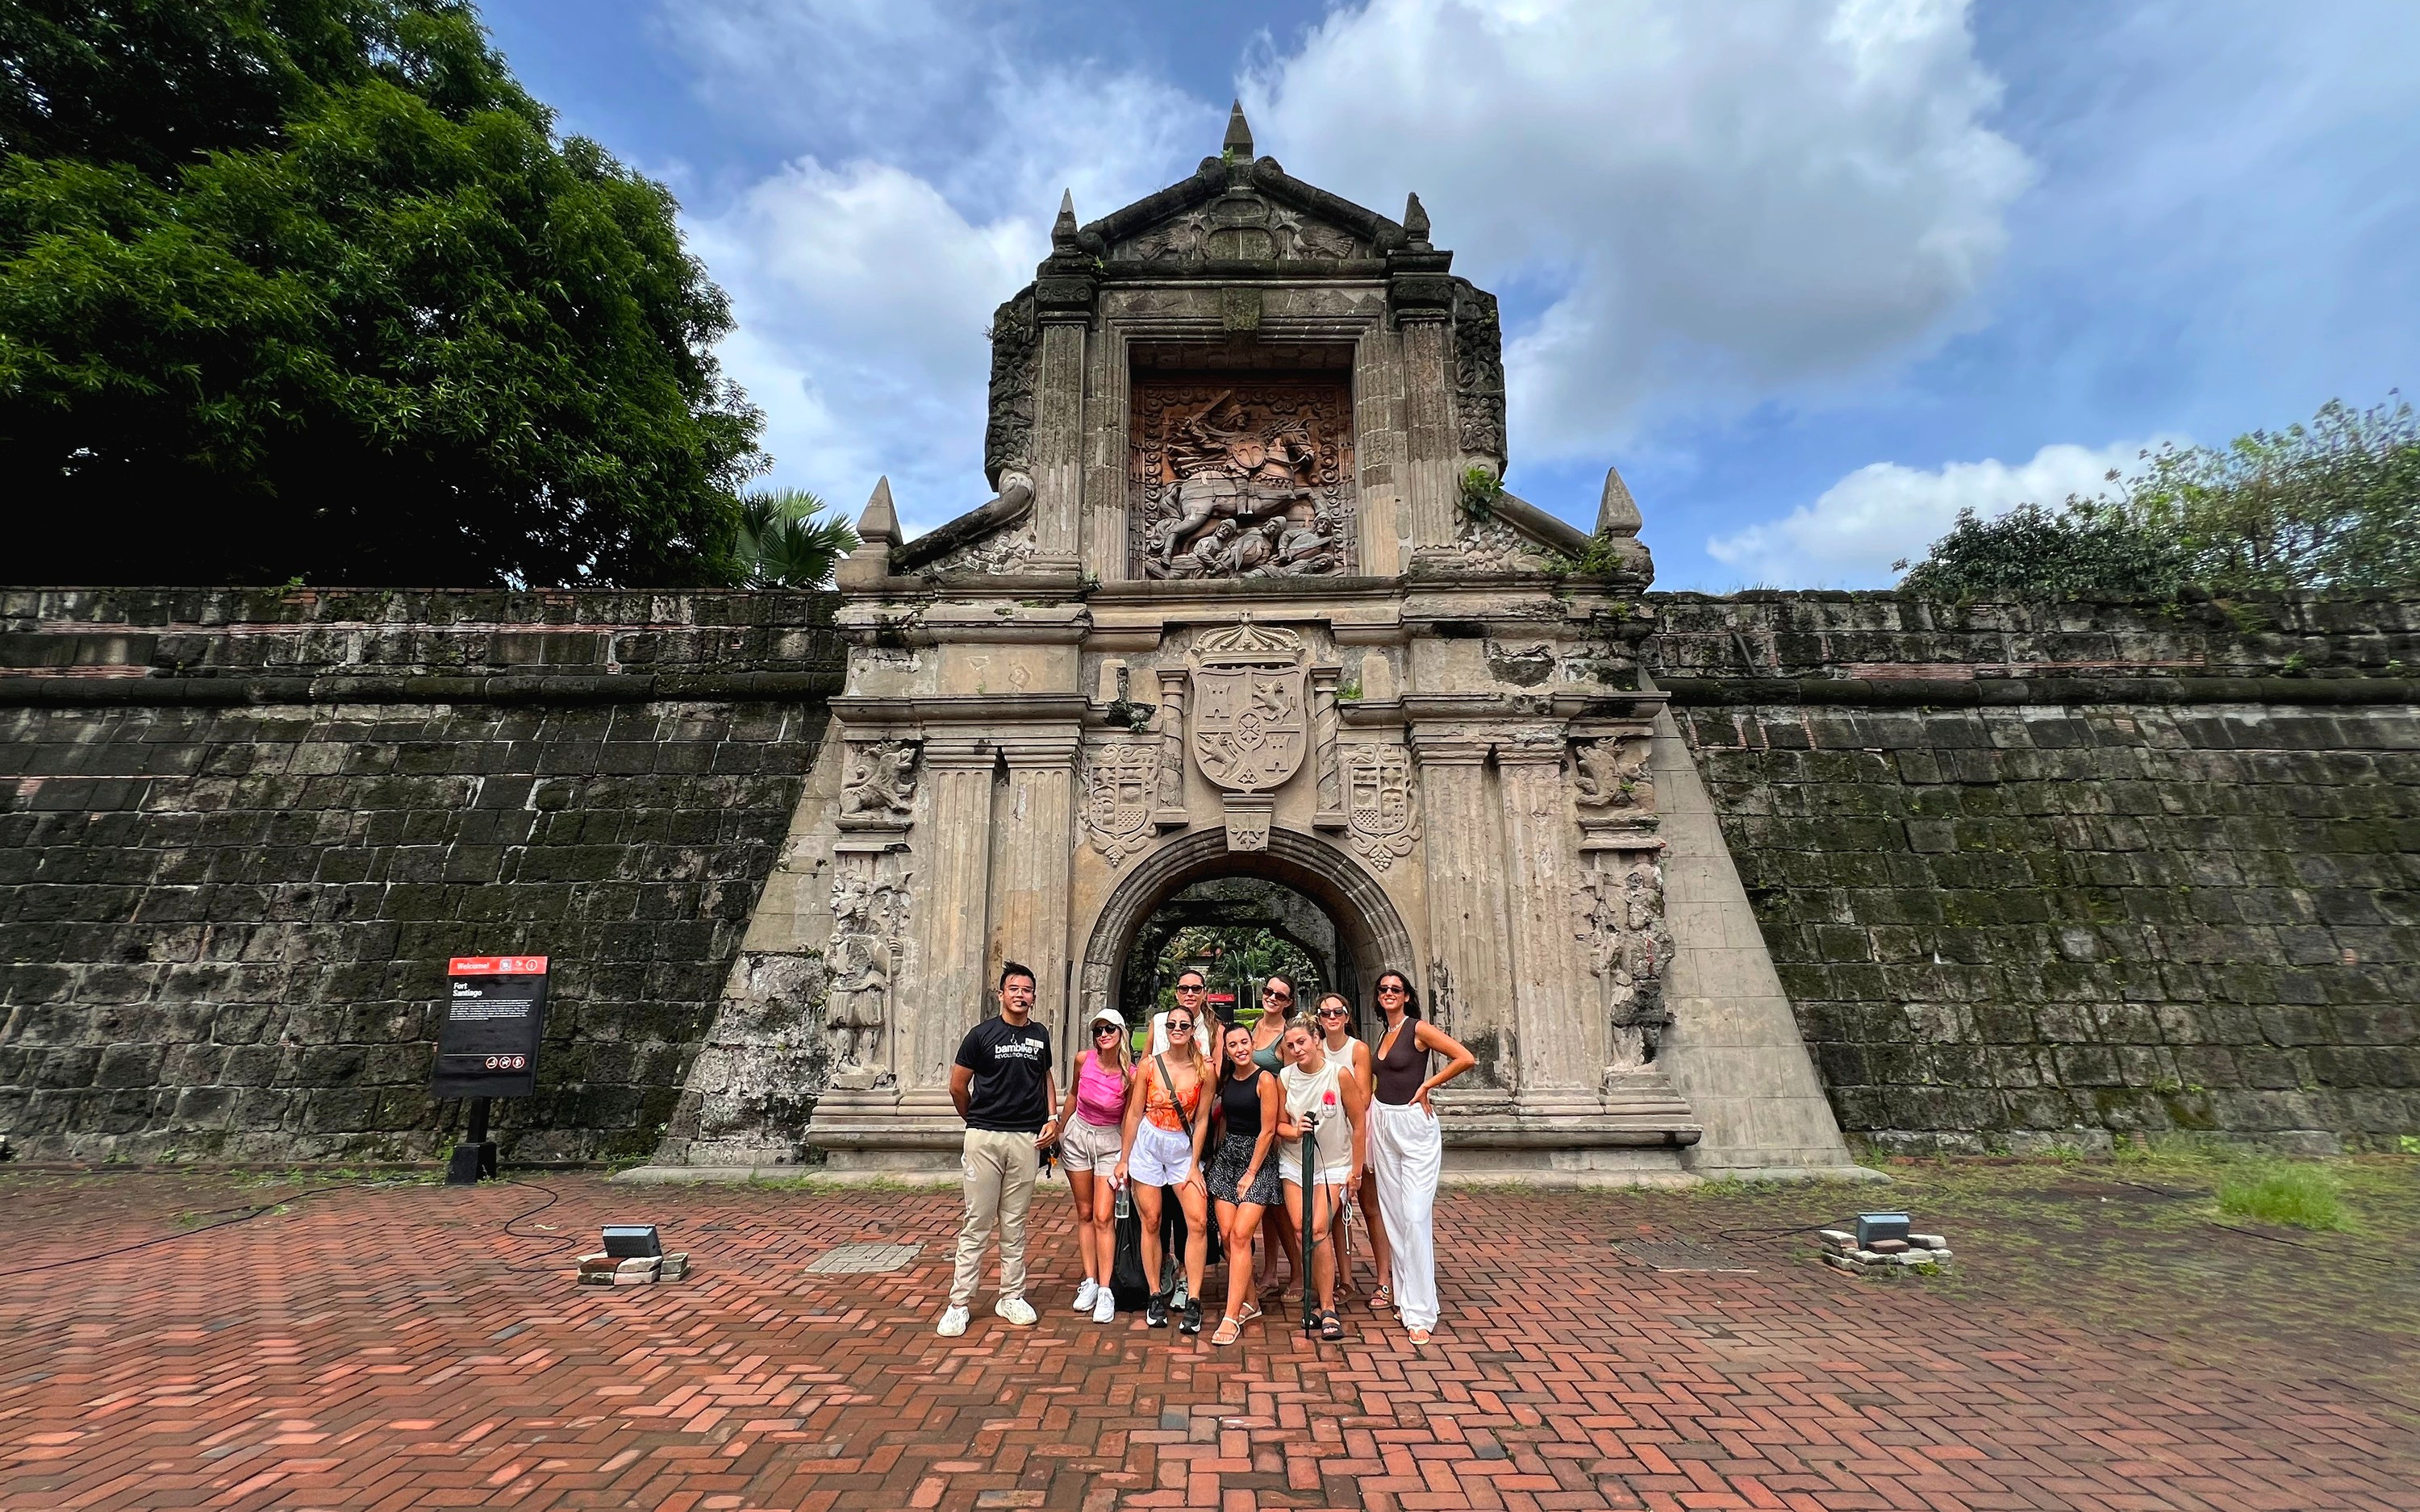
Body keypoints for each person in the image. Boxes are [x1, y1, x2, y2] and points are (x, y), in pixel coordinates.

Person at [939, 961, 1060, 1337]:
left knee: (1015, 1222)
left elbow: (1046, 1078)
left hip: (1026, 1138)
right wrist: (973, 1119)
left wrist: (1053, 1117)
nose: (1020, 995)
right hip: (985, 1137)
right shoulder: (981, 1035)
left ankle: (1011, 1294)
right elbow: (958, 1085)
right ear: (1001, 993)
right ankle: (959, 1302)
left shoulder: (1040, 1035)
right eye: (1014, 989)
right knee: (977, 1222)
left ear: (1034, 996)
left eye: (1027, 989)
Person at [1366, 968, 1476, 1347]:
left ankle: (1421, 1310)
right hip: (1384, 1121)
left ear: (1407, 995)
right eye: (1383, 989)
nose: (1389, 993)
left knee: (1414, 1215)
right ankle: (1403, 1293)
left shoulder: (1417, 1028)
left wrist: (1428, 1084)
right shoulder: (1384, 1033)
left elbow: (1465, 1057)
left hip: (1415, 1125)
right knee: (1393, 1215)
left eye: (1395, 989)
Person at [1115, 1003, 1215, 1334]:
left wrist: (1194, 1165)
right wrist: (1124, 1158)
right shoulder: (1149, 1066)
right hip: (1148, 1144)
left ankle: (1195, 1298)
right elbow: (1133, 1113)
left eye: (1183, 1025)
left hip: (1181, 1147)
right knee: (1152, 1220)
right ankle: (1156, 1292)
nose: (1176, 1029)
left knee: (1198, 1221)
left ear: (1192, 1030)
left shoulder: (1205, 1070)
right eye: (1171, 1024)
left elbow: (1202, 1119)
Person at [1276, 1018, 1367, 1341]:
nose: (1297, 1049)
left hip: (1333, 1164)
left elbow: (1358, 1123)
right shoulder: (1285, 1078)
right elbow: (1278, 1127)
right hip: (1294, 1162)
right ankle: (1317, 1295)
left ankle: (1328, 1306)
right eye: (1291, 1045)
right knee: (1302, 1230)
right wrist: (1294, 1128)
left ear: (1316, 1039)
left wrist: (1356, 1171)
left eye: (1302, 1042)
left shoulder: (1338, 1074)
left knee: (1318, 1228)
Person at [1204, 1020, 1282, 1346]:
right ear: (1227, 1050)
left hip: (1257, 1162)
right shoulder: (1227, 1080)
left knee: (1240, 1235)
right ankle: (1250, 1301)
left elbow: (1268, 1130)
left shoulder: (1265, 1079)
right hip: (1227, 1157)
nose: (1240, 1049)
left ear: (1253, 1044)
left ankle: (1231, 1315)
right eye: (1233, 1045)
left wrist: (1251, 1172)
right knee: (1226, 1237)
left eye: (1244, 1043)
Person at [1312, 991, 1387, 1310]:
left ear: (1346, 1016)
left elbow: (1362, 1097)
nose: (1332, 1017)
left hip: (1358, 1134)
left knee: (1370, 1208)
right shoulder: (1316, 1048)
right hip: (1329, 1137)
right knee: (1334, 1214)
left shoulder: (1357, 1049)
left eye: (1337, 1012)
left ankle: (1384, 1279)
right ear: (1318, 1018)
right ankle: (1345, 1280)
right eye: (1325, 1012)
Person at [1058, 1007, 1131, 1326]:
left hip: (1109, 1142)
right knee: (1085, 1212)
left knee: (1105, 1216)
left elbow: (1131, 1116)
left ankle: (1106, 1288)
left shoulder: (1131, 1072)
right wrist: (1058, 1129)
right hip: (1079, 1136)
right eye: (1098, 1030)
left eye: (1109, 1030)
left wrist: (1126, 1157)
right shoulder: (1082, 1059)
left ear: (1121, 1034)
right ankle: (1089, 1280)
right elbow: (1074, 1094)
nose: (1103, 1035)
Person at [1245, 974, 1305, 1297]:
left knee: (1280, 1208)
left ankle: (1297, 1274)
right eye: (1268, 991)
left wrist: (1281, 1128)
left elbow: (1292, 1081)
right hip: (1250, 1124)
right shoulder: (1254, 1027)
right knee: (1265, 1205)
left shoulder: (1286, 1036)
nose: (1271, 998)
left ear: (1288, 1002)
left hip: (1273, 1126)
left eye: (1279, 996)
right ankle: (1270, 1273)